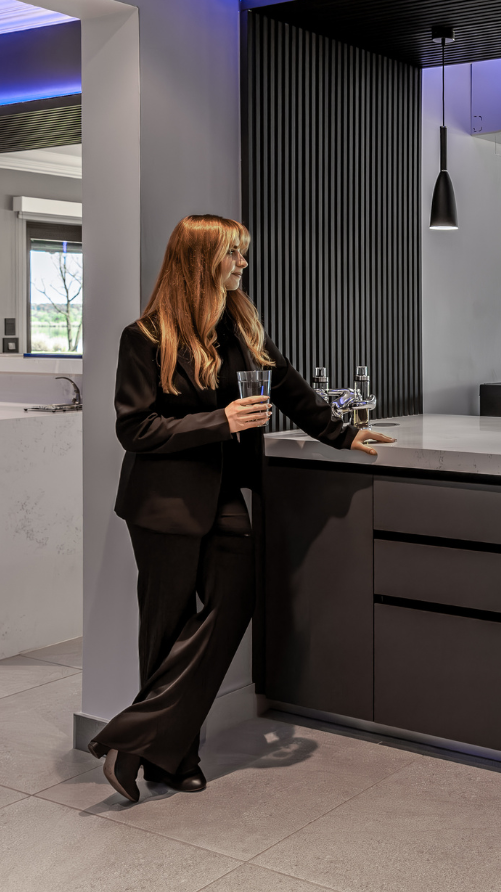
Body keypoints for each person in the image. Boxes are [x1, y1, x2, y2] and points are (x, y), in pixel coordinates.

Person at [87, 214, 393, 802]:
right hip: (163, 504)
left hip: (225, 495)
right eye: (233, 253)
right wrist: (220, 421)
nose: (243, 264)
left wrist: (343, 432)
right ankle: (172, 760)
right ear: (200, 260)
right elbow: (135, 429)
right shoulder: (144, 337)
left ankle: (133, 738)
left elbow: (291, 388)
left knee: (235, 603)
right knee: (166, 629)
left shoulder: (240, 327)